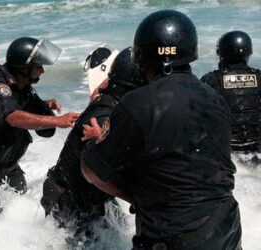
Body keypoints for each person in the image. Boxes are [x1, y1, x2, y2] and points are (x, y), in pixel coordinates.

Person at [80, 10, 242, 250]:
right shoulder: (215, 98)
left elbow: (92, 171)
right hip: (227, 227)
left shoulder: (137, 102)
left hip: (174, 239)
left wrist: (100, 140)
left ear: (141, 57)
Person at [0, 37, 79, 209]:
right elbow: (12, 116)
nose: (41, 71)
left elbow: (23, 107)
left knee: (21, 204)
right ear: (23, 67)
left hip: (7, 164)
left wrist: (45, 105)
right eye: (37, 66)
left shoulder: (23, 87)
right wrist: (58, 121)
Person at [41, 47, 146, 246]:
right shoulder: (105, 114)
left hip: (91, 198)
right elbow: (93, 163)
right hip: (70, 205)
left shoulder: (113, 101)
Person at [201, 31, 261, 164]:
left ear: (221, 53)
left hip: (227, 157)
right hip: (257, 154)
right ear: (248, 53)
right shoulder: (259, 78)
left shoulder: (211, 80)